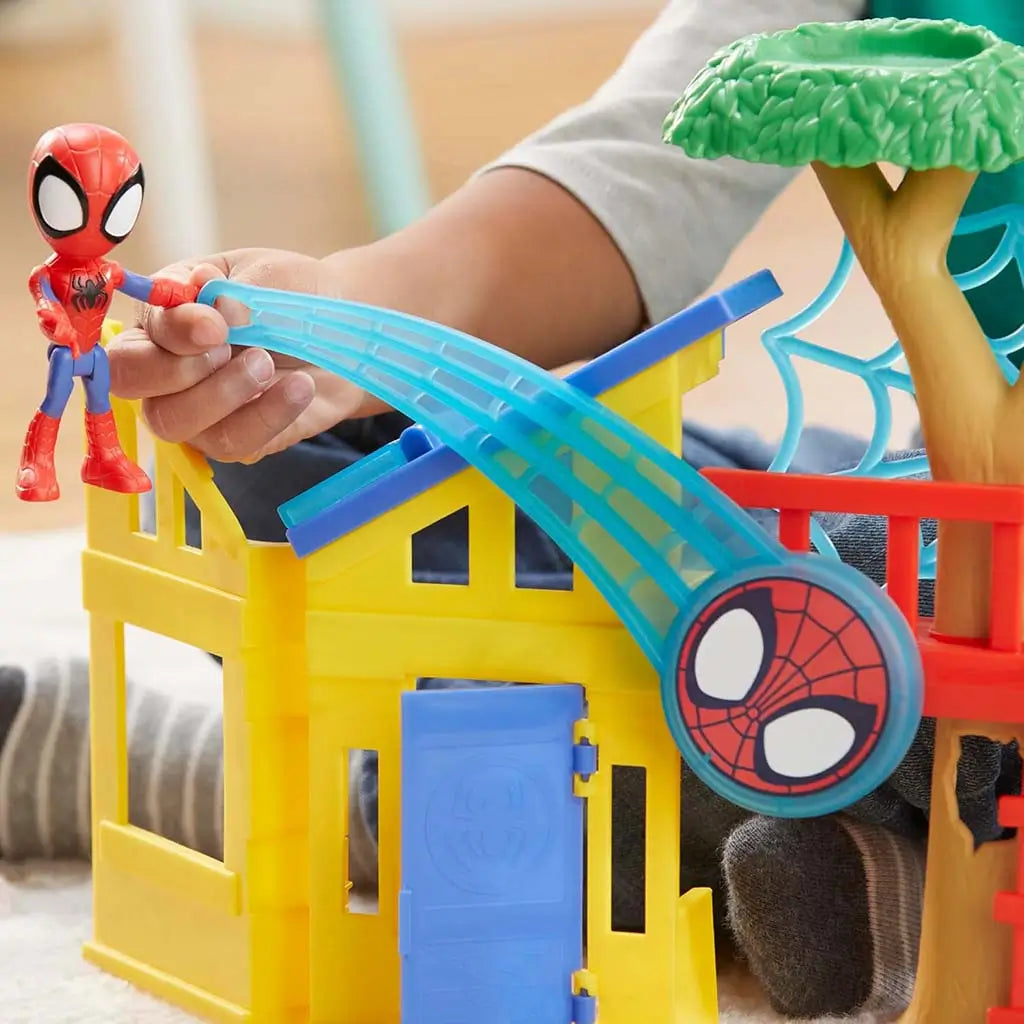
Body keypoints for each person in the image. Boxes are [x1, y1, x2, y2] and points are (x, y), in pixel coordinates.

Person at [2, 2, 1021, 1019]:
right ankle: (869, 873)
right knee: (607, 518)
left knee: (752, 680)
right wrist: (350, 320)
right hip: (912, 515)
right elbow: (641, 167)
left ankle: (882, 895)